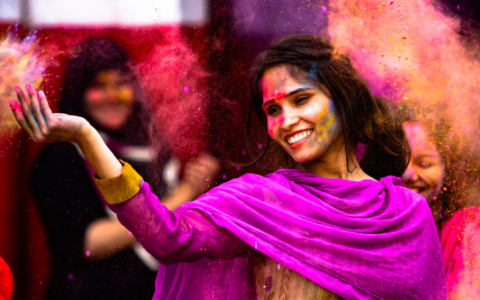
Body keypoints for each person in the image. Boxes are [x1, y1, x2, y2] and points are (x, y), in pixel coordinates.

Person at [10, 35, 447, 299]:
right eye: (272, 110)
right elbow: (167, 237)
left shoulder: (407, 212)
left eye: (300, 100)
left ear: (343, 100)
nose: (286, 121)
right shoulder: (264, 200)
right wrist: (85, 136)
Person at [28, 38, 219, 299]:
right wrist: (185, 192)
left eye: (121, 84)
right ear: (78, 93)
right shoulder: (60, 155)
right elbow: (85, 245)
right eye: (98, 86)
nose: (113, 96)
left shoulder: (152, 148)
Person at [401, 112, 480, 300]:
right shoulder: (373, 228)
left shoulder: (469, 227)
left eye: (424, 163)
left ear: (448, 168)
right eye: (398, 162)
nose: (408, 174)